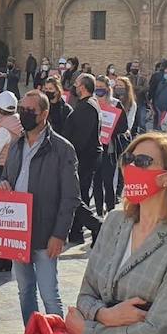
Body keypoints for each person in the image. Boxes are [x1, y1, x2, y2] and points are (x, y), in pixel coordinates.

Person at [65, 132, 167, 334]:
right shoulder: (115, 221)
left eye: (142, 161)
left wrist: (88, 331)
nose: (130, 166)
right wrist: (105, 315)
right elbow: (86, 294)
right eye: (128, 158)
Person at [0, 90, 80, 334]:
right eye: (21, 108)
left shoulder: (62, 149)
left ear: (44, 114)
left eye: (29, 109)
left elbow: (71, 196)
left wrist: (60, 234)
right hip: (17, 234)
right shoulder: (17, 144)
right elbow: (7, 177)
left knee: (49, 293)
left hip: (46, 234)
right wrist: (4, 186)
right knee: (24, 292)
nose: (23, 113)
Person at [63, 73, 104, 245]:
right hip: (85, 157)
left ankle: (95, 225)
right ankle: (77, 231)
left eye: (77, 83)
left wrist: (69, 156)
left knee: (73, 195)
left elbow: (81, 138)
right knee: (78, 194)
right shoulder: (86, 104)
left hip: (83, 158)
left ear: (83, 87)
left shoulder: (87, 107)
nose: (74, 85)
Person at [93, 75, 133, 216]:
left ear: (108, 88)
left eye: (101, 87)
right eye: (96, 87)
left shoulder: (115, 104)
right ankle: (98, 212)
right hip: (93, 149)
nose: (98, 90)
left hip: (109, 148)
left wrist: (110, 129)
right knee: (96, 182)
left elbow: (124, 127)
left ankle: (110, 210)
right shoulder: (92, 103)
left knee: (108, 181)